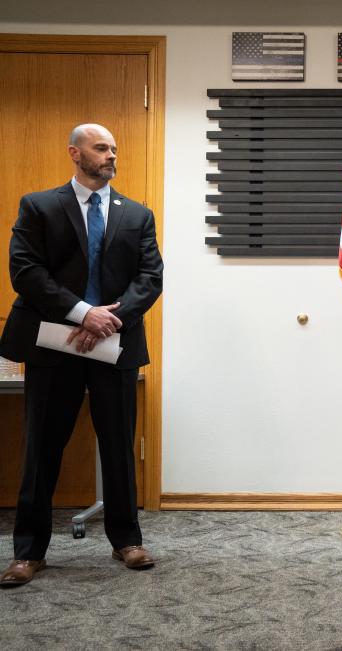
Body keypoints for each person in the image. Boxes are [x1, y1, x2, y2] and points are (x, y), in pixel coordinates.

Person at [0, 124, 163, 587]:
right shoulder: (39, 206)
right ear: (75, 152)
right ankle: (29, 553)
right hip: (54, 345)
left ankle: (127, 541)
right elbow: (25, 270)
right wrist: (82, 313)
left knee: (119, 446)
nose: (111, 155)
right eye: (101, 147)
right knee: (41, 449)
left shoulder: (137, 214)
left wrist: (109, 319)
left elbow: (150, 277)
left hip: (116, 344)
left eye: (114, 148)